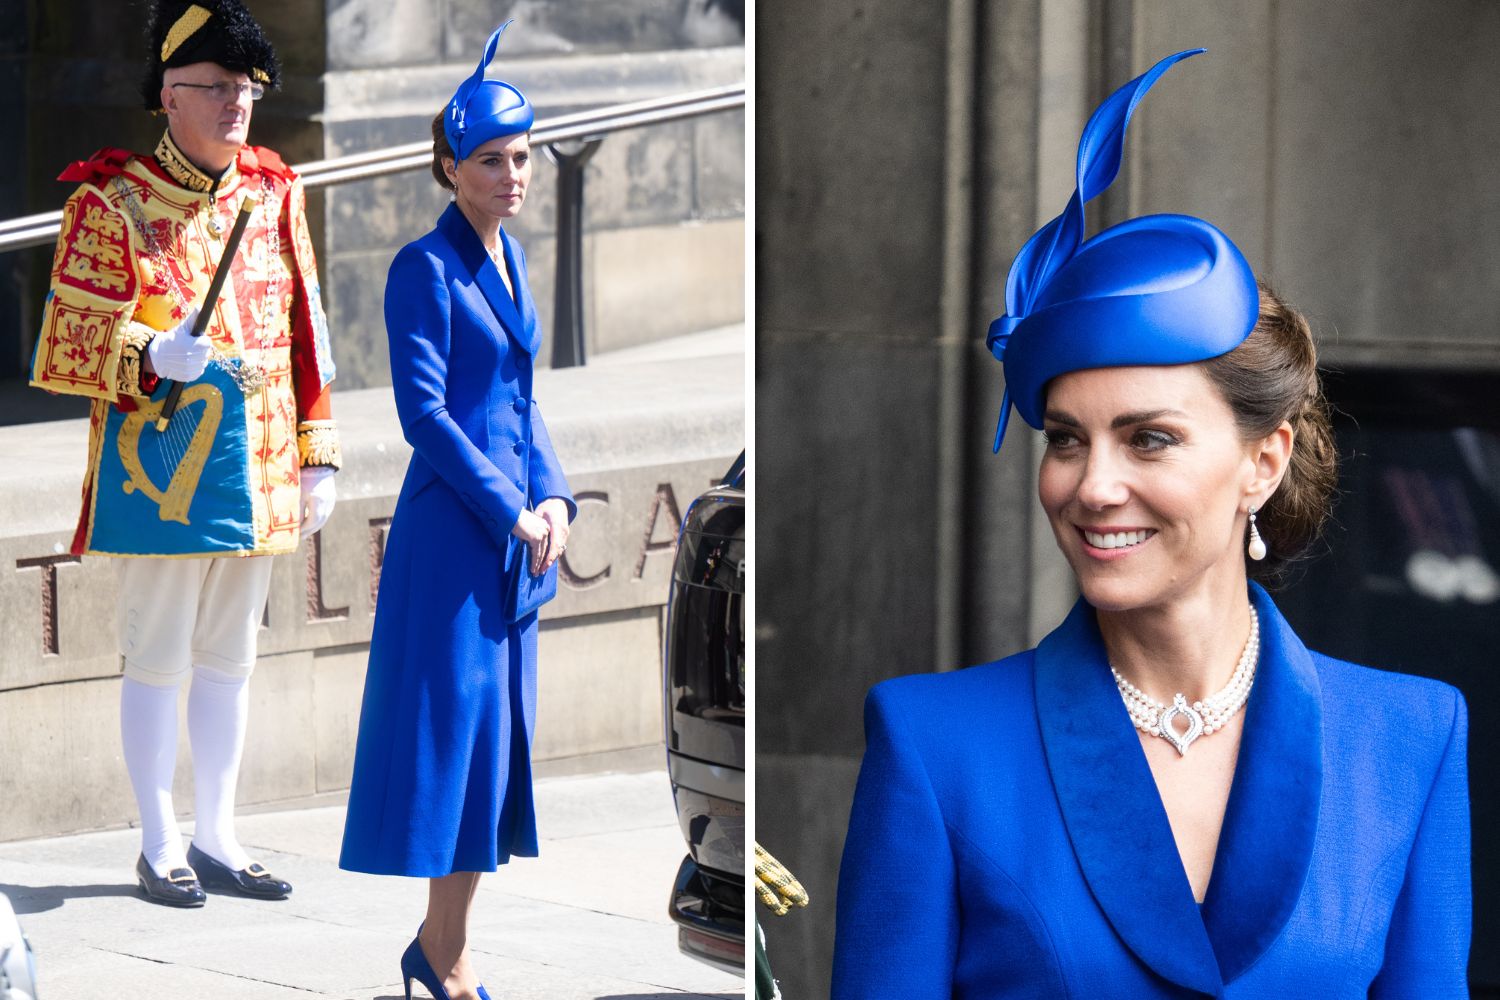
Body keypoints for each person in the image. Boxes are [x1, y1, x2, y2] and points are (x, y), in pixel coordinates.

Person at [832, 49, 1470, 998]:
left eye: (1150, 440)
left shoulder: (1408, 736)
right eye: (1065, 439)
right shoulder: (936, 744)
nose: (1092, 487)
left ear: (1264, 462)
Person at [29, 0, 338, 907]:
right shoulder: (109, 201)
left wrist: (319, 449)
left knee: (232, 657)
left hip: (258, 466)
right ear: (169, 96)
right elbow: (63, 346)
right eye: (215, 87)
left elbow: (305, 327)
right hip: (159, 470)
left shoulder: (275, 190)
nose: (237, 103)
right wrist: (146, 354)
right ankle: (159, 841)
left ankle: (219, 835)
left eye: (246, 87)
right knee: (157, 657)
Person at [338, 22, 574, 1000]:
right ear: (451, 166)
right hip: (454, 543)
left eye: (522, 157)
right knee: (454, 748)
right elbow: (423, 415)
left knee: (491, 757)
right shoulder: (422, 271)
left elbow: (524, 400)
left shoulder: (514, 258)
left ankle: (440, 954)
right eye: (492, 160)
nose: (514, 174)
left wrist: (554, 490)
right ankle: (444, 959)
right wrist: (512, 508)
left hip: (514, 543)